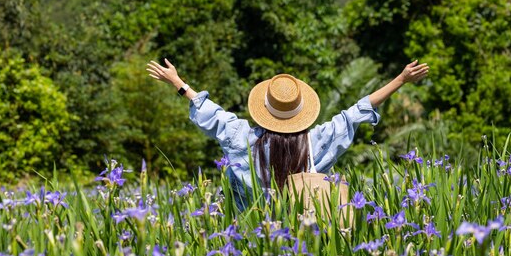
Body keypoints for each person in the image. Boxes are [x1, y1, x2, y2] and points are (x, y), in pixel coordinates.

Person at [146, 59, 429, 209]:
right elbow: (357, 112)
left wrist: (179, 83)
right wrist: (401, 79)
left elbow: (211, 112)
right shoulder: (314, 141)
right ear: (299, 111)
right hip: (301, 241)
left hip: (247, 239)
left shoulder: (241, 136)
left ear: (263, 109)